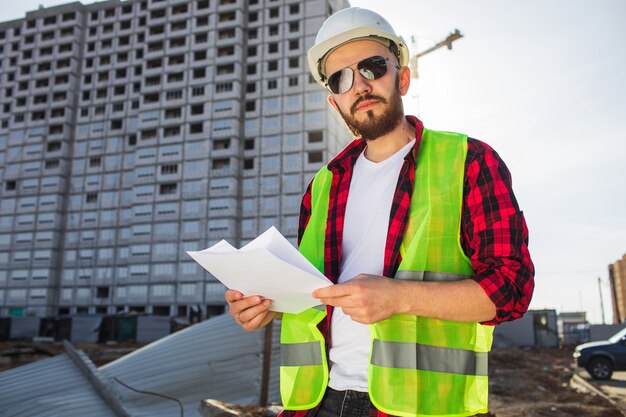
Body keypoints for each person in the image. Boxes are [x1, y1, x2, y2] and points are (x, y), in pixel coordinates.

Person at [225, 7, 534, 417]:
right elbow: (314, 296)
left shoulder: (467, 160)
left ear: (402, 77)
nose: (360, 85)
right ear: (334, 103)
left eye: (372, 67)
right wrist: (265, 306)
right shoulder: (323, 186)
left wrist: (400, 297)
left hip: (421, 407)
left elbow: (511, 290)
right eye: (342, 78)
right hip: (316, 401)